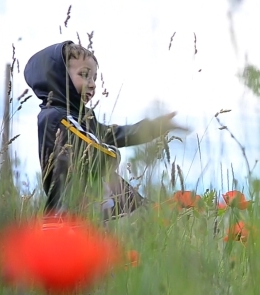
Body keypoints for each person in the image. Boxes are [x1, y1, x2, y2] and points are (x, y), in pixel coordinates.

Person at [24, 40, 187, 222]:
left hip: (91, 211)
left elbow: (113, 135)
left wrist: (153, 127)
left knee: (151, 217)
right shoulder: (57, 117)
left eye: (94, 77)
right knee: (148, 218)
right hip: (70, 215)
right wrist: (113, 153)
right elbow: (96, 152)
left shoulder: (81, 118)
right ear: (59, 77)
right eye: (84, 75)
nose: (93, 84)